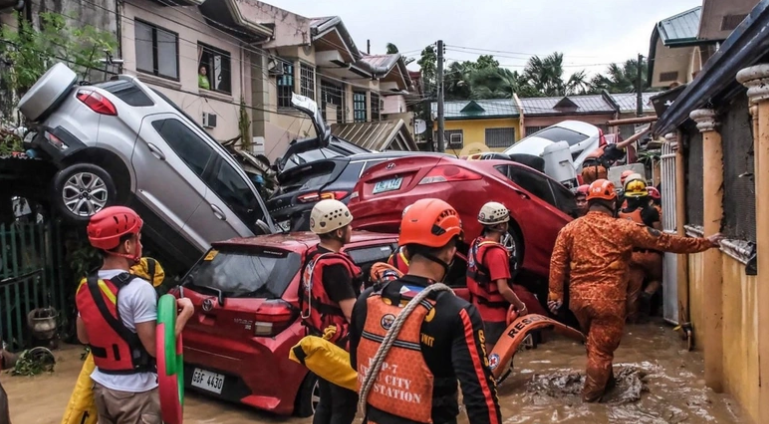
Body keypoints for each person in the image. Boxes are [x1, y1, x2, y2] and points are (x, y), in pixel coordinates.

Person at [547, 179, 722, 402]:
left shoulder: (569, 229)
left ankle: (606, 385)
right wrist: (705, 243)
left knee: (594, 345)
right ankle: (590, 405)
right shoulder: (623, 227)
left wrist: (555, 295)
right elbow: (666, 241)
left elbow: (557, 262)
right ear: (612, 202)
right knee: (601, 352)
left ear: (590, 202)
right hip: (608, 300)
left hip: (579, 301)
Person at [350, 198, 502, 424]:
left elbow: (356, 363)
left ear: (407, 249)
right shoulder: (456, 313)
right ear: (450, 252)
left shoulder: (366, 300)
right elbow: (479, 397)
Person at [76, 206, 194, 424]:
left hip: (102, 388)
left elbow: (83, 337)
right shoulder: (139, 289)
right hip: (136, 394)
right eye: (138, 239)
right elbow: (157, 349)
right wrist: (186, 314)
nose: (141, 245)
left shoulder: (86, 287)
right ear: (127, 245)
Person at [300, 199, 362, 424]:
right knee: (343, 407)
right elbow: (351, 314)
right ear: (338, 232)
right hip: (338, 344)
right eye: (348, 225)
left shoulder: (314, 256)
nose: (351, 229)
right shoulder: (335, 267)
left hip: (319, 340)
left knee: (326, 402)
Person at [466, 202, 536, 353]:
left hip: (476, 312)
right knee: (492, 364)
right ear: (500, 226)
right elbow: (503, 289)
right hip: (493, 317)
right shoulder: (497, 253)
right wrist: (521, 306)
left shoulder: (475, 244)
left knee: (480, 358)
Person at [620, 177, 663, 322]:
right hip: (651, 255)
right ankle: (648, 293)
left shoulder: (621, 213)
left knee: (632, 292)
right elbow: (659, 236)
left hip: (632, 256)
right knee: (657, 279)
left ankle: (633, 321)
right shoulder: (652, 212)